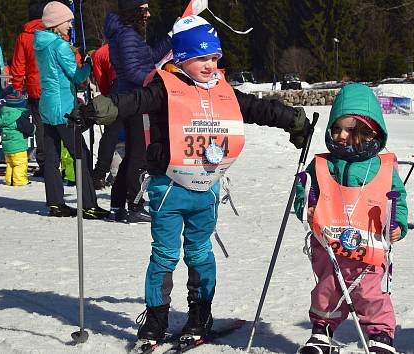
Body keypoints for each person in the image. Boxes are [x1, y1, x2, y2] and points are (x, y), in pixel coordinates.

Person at [74, 15, 310, 346]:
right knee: (165, 255)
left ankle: (200, 313)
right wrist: (107, 107)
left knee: (199, 253)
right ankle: (156, 318)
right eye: (202, 58)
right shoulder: (164, 87)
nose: (211, 65)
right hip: (167, 188)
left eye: (215, 58)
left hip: (207, 190)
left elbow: (256, 108)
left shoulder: (223, 91)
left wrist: (292, 120)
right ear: (181, 57)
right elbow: (134, 101)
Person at [293, 83, 408, 354]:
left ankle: (380, 334)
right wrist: (305, 207)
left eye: (350, 129)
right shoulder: (324, 163)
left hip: (368, 244)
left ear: (370, 131)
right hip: (328, 244)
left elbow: (397, 198)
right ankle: (322, 330)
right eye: (336, 128)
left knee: (369, 292)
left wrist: (397, 224)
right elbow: (306, 189)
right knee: (327, 289)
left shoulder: (381, 165)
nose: (341, 135)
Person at [33, 1, 108, 219]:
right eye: (68, 21)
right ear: (56, 23)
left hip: (47, 107)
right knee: (81, 155)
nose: (70, 25)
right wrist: (89, 64)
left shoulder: (42, 43)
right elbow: (77, 77)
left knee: (52, 157)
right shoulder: (60, 46)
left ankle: (56, 203)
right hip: (64, 109)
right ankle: (89, 205)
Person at [103, 0, 172, 223]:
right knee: (139, 155)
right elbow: (135, 72)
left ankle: (117, 205)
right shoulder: (127, 35)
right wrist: (157, 83)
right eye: (144, 9)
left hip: (133, 98)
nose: (149, 14)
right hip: (137, 100)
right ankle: (135, 204)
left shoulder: (128, 33)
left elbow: (149, 57)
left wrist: (172, 36)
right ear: (134, 11)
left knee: (132, 153)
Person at [10, 1, 46, 176]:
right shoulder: (52, 32)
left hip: (34, 88)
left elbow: (18, 66)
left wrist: (16, 88)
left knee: (40, 126)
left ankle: (44, 162)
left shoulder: (24, 36)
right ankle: (63, 164)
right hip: (54, 87)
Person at [90, 42, 121, 190]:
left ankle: (100, 173)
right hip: (136, 87)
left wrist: (108, 97)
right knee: (138, 133)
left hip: (115, 89)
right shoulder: (134, 43)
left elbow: (101, 81)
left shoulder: (100, 53)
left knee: (110, 133)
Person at [0, 92, 35, 186]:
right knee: (20, 164)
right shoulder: (18, 116)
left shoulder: (3, 114)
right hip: (18, 146)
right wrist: (34, 128)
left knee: (10, 164)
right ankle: (19, 181)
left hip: (7, 146)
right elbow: (28, 129)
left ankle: (9, 181)